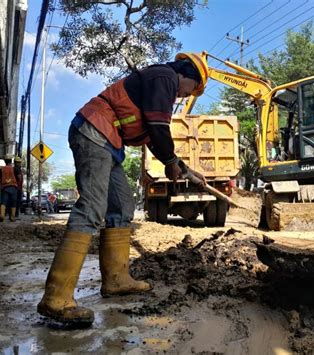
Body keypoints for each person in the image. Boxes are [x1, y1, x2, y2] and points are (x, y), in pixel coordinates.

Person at [37, 52, 209, 326]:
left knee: (122, 207)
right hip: (94, 131)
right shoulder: (165, 77)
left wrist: (176, 164)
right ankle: (56, 298)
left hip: (108, 141)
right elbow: (157, 127)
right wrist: (171, 161)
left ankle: (116, 279)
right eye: (193, 90)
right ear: (188, 76)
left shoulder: (160, 82)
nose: (187, 96)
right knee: (93, 206)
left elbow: (153, 135)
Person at [0, 157, 19, 222]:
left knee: (4, 202)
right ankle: (12, 218)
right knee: (13, 202)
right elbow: (19, 177)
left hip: (5, 187)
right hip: (13, 187)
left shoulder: (1, 169)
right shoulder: (15, 169)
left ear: (5, 162)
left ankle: (2, 216)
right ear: (11, 162)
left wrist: (2, 181)